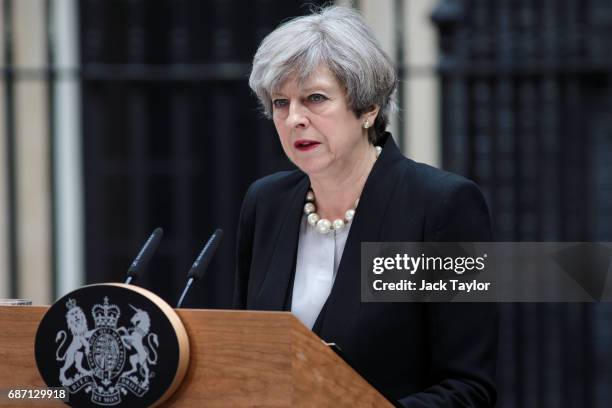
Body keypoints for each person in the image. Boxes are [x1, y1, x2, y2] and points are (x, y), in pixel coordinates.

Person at [234, 6, 497, 407]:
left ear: (368, 107)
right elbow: (247, 359)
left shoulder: (443, 207)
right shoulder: (265, 202)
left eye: (315, 98)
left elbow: (468, 387)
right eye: (281, 103)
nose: (294, 119)